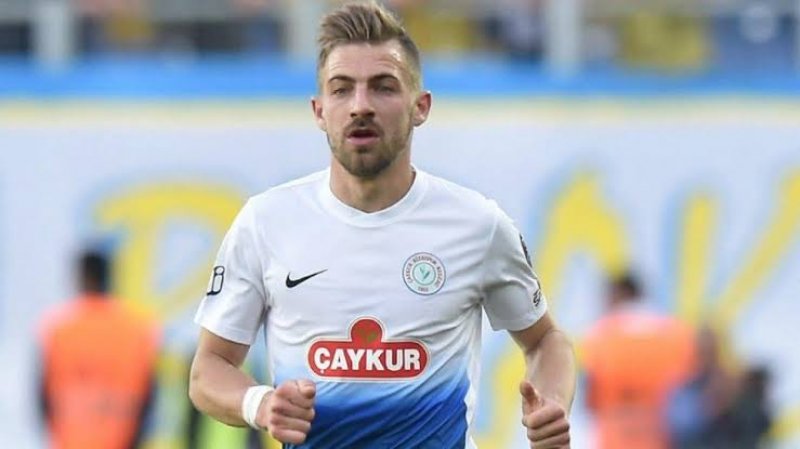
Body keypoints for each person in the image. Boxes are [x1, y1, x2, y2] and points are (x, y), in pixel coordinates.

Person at [188, 2, 576, 448]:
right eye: (341, 89)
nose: (361, 106)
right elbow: (208, 369)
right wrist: (260, 403)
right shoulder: (265, 222)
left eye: (383, 87)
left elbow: (546, 340)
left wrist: (551, 403)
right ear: (319, 110)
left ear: (420, 106)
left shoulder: (477, 225)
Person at [37, 249, 160, 449]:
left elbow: (42, 396)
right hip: (122, 440)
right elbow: (149, 395)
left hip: (71, 441)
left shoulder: (58, 329)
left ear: (80, 278)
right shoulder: (137, 329)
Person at [582, 272, 696, 449]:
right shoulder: (677, 333)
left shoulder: (602, 335)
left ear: (619, 295)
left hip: (614, 436)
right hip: (663, 436)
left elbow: (591, 396)